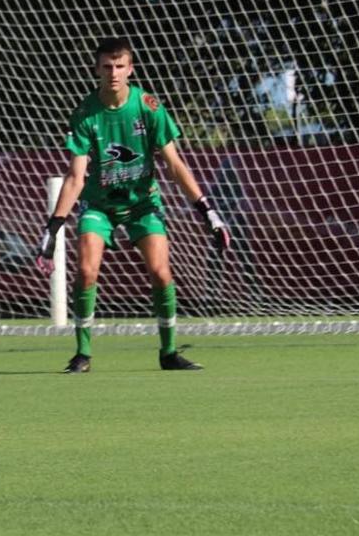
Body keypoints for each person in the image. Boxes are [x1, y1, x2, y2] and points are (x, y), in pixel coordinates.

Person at [35, 37, 229, 373]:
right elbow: (75, 177)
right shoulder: (85, 113)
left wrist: (207, 211)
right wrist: (52, 230)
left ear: (131, 68)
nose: (113, 73)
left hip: (143, 204)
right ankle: (83, 354)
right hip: (98, 206)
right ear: (96, 69)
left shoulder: (149, 107)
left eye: (120, 66)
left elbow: (175, 165)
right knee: (85, 271)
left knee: (161, 273)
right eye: (107, 66)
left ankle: (168, 353)